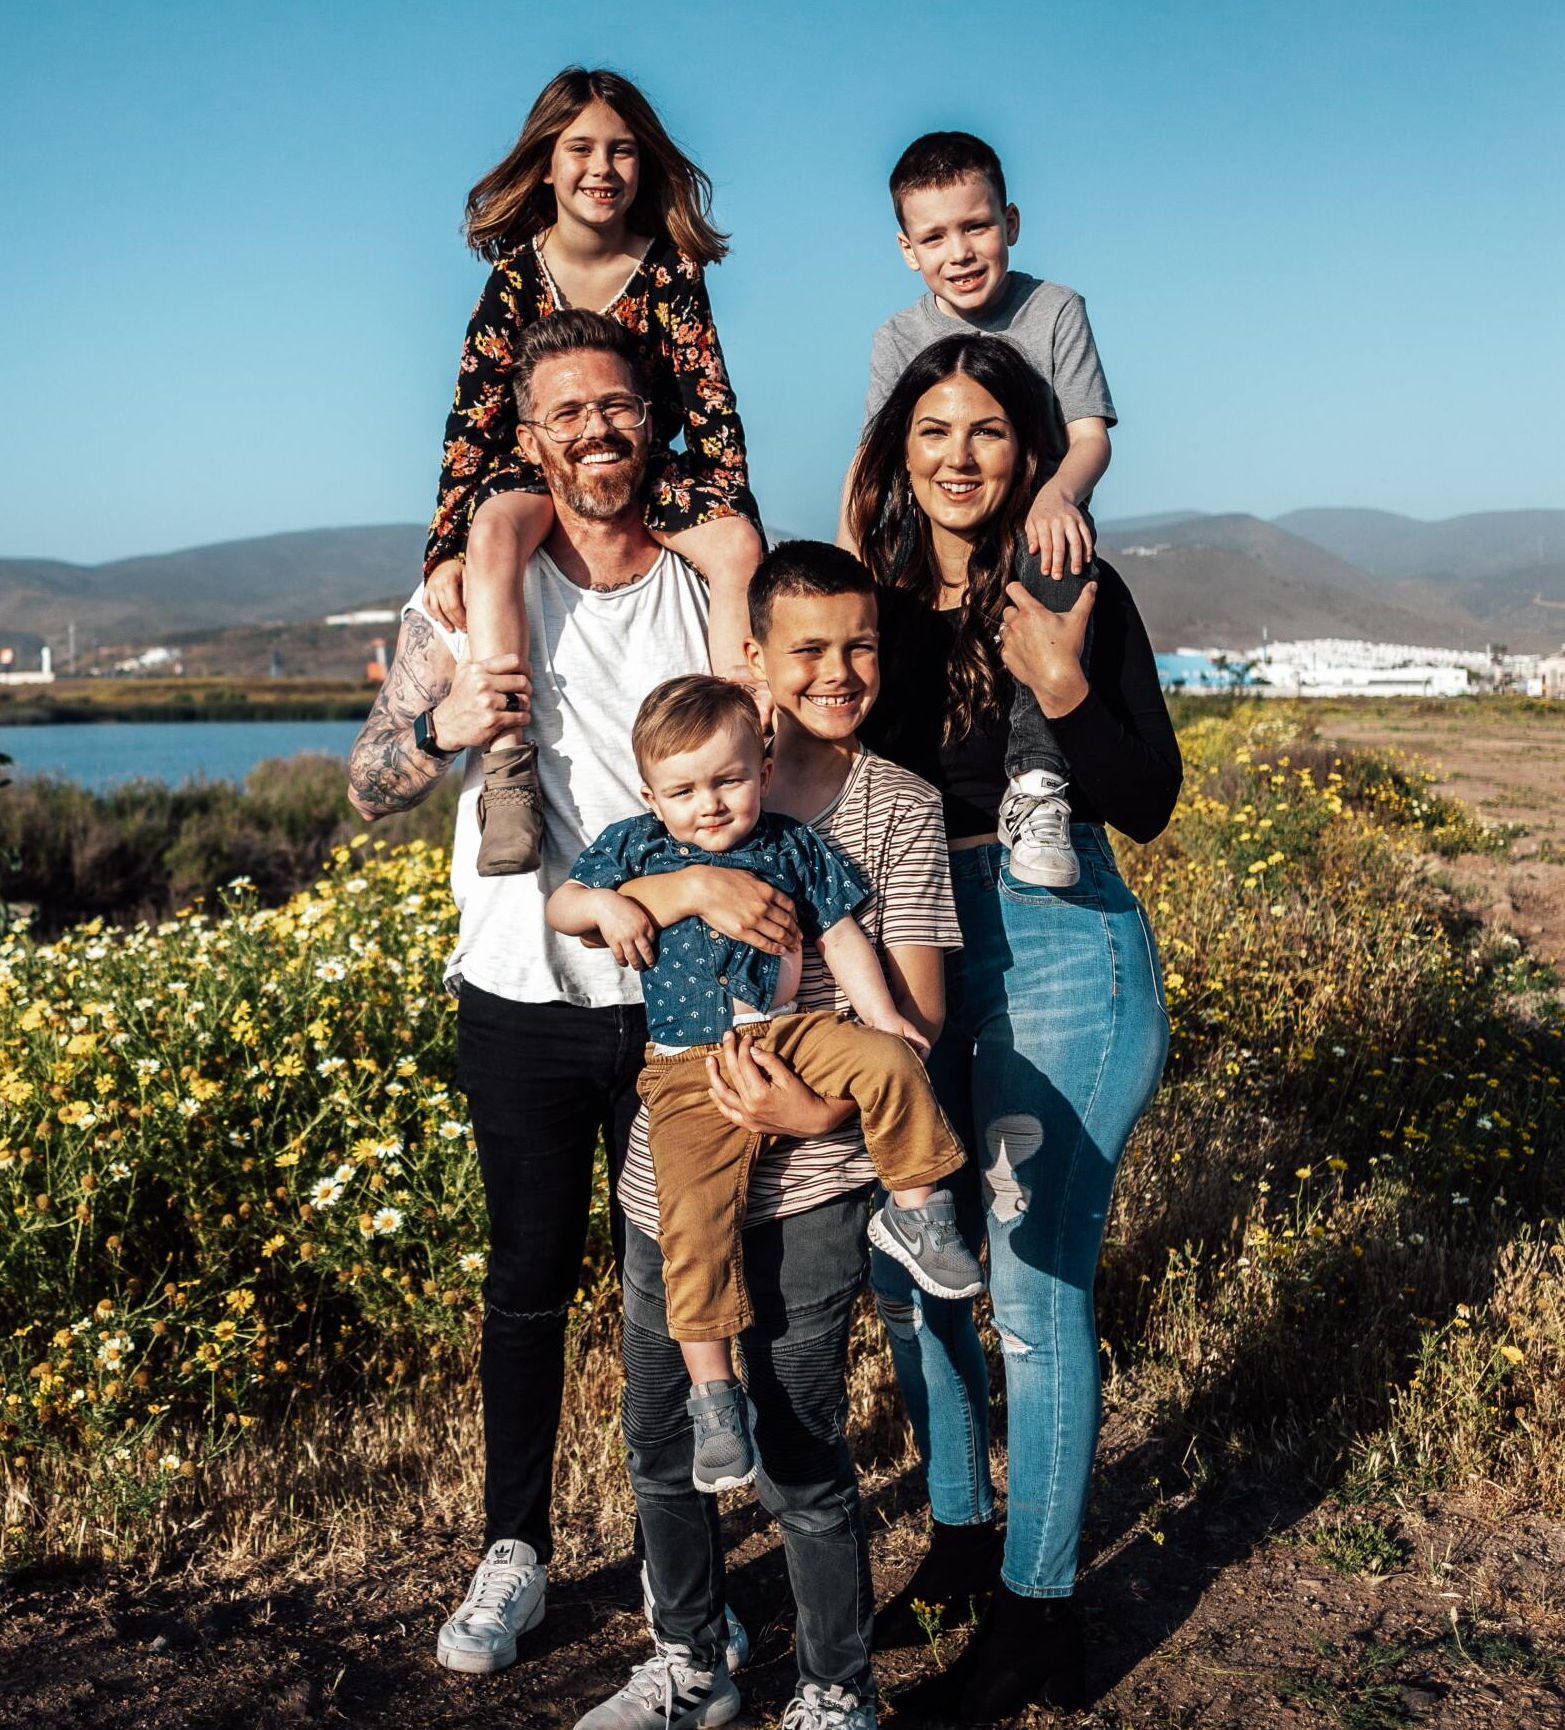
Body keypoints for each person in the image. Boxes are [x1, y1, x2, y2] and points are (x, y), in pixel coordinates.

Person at [347, 308, 750, 1683]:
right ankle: (512, 1546)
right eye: (566, 411)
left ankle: (677, 1571)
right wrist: (439, 725)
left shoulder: (702, 585)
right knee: (526, 1282)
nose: (595, 430)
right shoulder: (467, 597)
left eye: (617, 404)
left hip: (678, 994)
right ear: (529, 437)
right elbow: (369, 783)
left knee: (678, 1285)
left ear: (655, 421)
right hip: (520, 988)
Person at [571, 543, 965, 1730]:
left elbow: (912, 1013)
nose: (837, 670)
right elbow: (590, 907)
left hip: (813, 1174)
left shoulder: (894, 806)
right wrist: (692, 889)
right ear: (752, 659)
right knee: (663, 1441)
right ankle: (690, 1660)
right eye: (807, 648)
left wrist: (815, 1110)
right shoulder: (674, 792)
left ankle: (835, 1683)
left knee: (801, 1446)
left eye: (860, 645)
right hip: (671, 1166)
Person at [846, 334, 1181, 1721]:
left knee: (1034, 1299)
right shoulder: (871, 605)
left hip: (1059, 943)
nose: (958, 455)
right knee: (913, 1267)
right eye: (932, 429)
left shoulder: (1073, 584)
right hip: (913, 943)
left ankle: (1039, 1615)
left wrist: (1056, 676)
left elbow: (1145, 794)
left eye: (986, 429)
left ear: (1029, 450)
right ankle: (959, 1541)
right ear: (897, 450)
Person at [547, 674, 980, 1493]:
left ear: (763, 770)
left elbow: (841, 936)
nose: (708, 805)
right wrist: (607, 910)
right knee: (691, 1221)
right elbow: (562, 906)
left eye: (728, 781)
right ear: (650, 796)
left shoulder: (791, 845)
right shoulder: (635, 848)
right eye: (683, 791)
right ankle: (715, 1396)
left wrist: (881, 1015)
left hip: (792, 1032)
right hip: (687, 1066)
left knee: (894, 1062)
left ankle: (916, 1212)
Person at [422, 66, 763, 879]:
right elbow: (470, 423)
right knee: (493, 530)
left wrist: (730, 513)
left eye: (621, 150)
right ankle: (509, 770)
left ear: (643, 164)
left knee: (737, 547)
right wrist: (443, 549)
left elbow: (710, 405)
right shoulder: (513, 278)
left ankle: (749, 738)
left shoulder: (671, 271)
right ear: (546, 163)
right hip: (534, 467)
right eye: (580, 149)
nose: (601, 168)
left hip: (648, 466)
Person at [840, 129, 1119, 890]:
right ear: (907, 250)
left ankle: (1036, 785)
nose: (959, 252)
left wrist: (1058, 492)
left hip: (1035, 531)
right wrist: (846, 560)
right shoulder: (898, 336)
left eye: (976, 226)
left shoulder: (1054, 309)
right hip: (931, 537)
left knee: (1055, 551)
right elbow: (871, 460)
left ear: (1010, 223)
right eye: (934, 237)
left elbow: (1089, 437)